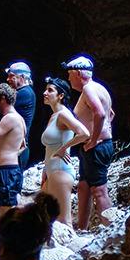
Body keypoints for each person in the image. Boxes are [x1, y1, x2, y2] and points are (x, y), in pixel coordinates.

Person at [64, 54, 116, 232]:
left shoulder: (88, 90)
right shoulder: (99, 88)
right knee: (84, 186)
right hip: (98, 145)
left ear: (78, 73)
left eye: (69, 74)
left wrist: (94, 139)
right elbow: (111, 114)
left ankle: (112, 230)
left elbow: (100, 114)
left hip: (96, 146)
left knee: (99, 190)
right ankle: (82, 228)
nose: (68, 78)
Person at [37, 76, 86, 228]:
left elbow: (84, 132)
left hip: (61, 171)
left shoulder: (64, 114)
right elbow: (50, 147)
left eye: (50, 90)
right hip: (51, 172)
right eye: (46, 90)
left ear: (61, 95)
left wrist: (64, 148)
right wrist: (45, 169)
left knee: (64, 222)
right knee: (48, 220)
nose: (45, 93)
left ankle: (74, 251)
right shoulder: (54, 116)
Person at [0, 82, 29, 215]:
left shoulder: (10, 118)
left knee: (6, 214)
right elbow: (23, 145)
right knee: (7, 211)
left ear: (3, 99)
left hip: (7, 172)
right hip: (9, 169)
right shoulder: (19, 119)